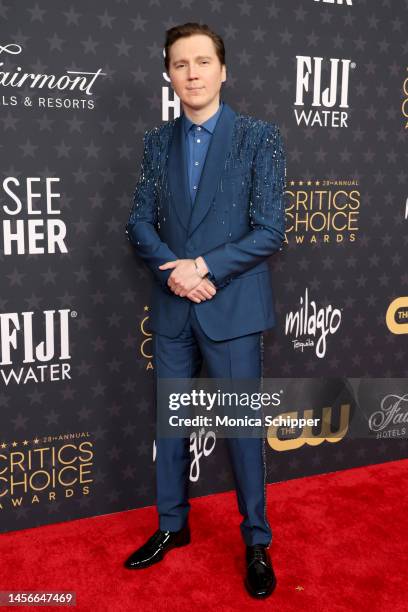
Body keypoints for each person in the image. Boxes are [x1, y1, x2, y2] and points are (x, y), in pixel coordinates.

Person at [124, 21, 286, 600]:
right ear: (168, 74)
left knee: (243, 432)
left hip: (232, 308)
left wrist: (205, 268)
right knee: (172, 426)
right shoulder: (154, 141)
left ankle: (256, 542)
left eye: (202, 62)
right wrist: (176, 270)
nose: (191, 73)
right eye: (179, 64)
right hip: (174, 306)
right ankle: (172, 526)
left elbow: (271, 230)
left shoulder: (258, 137)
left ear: (223, 70)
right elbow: (138, 222)